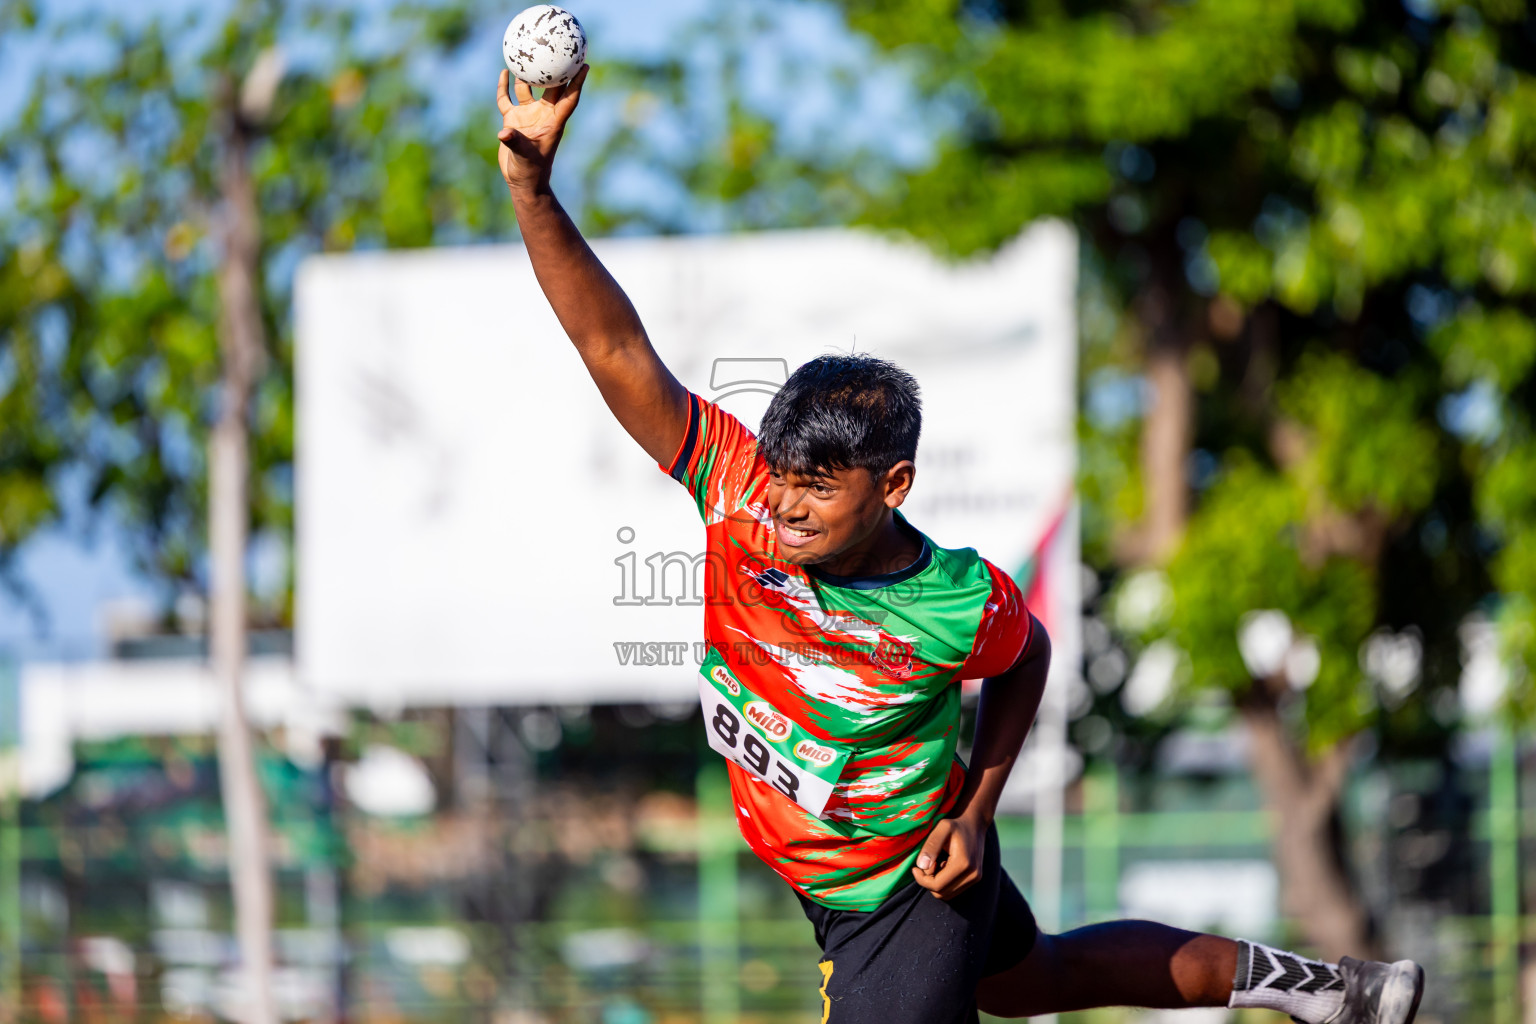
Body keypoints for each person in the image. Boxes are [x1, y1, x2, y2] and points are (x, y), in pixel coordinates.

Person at [493, 64, 1426, 1024]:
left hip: (907, 891)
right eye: (782, 475)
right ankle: (1329, 992)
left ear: (892, 485)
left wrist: (974, 816)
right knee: (1044, 982)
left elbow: (1029, 655)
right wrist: (530, 188)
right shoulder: (732, 487)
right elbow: (613, 349)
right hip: (824, 880)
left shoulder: (956, 599)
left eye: (819, 486)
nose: (787, 506)